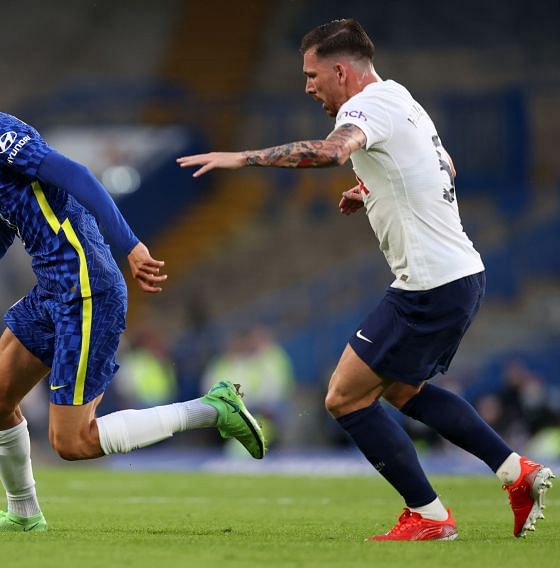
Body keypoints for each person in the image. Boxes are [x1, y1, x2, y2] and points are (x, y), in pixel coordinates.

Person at [177, 19, 553, 541]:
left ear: (340, 70)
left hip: (428, 285)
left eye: (312, 76)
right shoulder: (401, 97)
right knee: (403, 390)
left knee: (344, 399)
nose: (308, 87)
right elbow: (446, 165)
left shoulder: (363, 108)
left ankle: (429, 515)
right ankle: (517, 473)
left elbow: (331, 151)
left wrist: (244, 158)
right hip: (460, 274)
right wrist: (374, 189)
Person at [0, 44, 266, 534]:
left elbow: (77, 174)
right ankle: (22, 514)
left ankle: (211, 409)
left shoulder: (3, 136)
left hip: (85, 289)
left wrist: (132, 245)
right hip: (52, 289)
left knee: (72, 442)